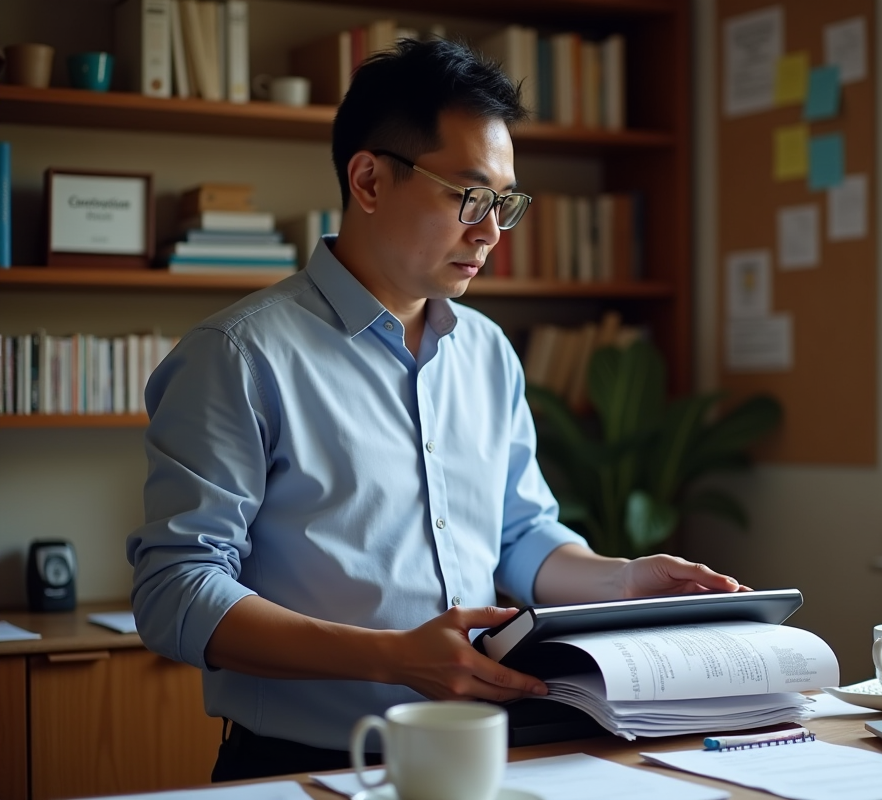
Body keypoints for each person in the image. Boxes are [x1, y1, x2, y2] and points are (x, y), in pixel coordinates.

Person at [127, 38, 745, 783]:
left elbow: (520, 536)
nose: (490, 232)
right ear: (369, 180)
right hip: (304, 768)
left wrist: (623, 581)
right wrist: (393, 657)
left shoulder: (486, 351)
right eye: (469, 196)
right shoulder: (238, 355)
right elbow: (176, 591)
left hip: (488, 755)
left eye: (504, 203)